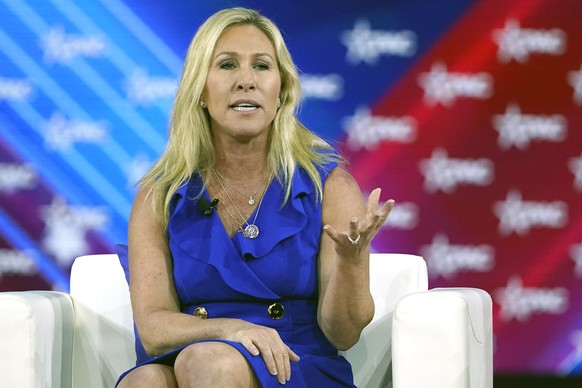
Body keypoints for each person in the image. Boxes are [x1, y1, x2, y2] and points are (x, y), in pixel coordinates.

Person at [116, 7, 394, 388]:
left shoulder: (328, 185)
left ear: (282, 91)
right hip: (196, 350)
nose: (246, 81)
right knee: (145, 381)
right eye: (227, 65)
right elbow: (153, 327)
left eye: (262, 66)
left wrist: (352, 262)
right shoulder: (159, 196)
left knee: (207, 363)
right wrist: (231, 329)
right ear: (200, 88)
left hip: (295, 362)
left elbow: (344, 334)